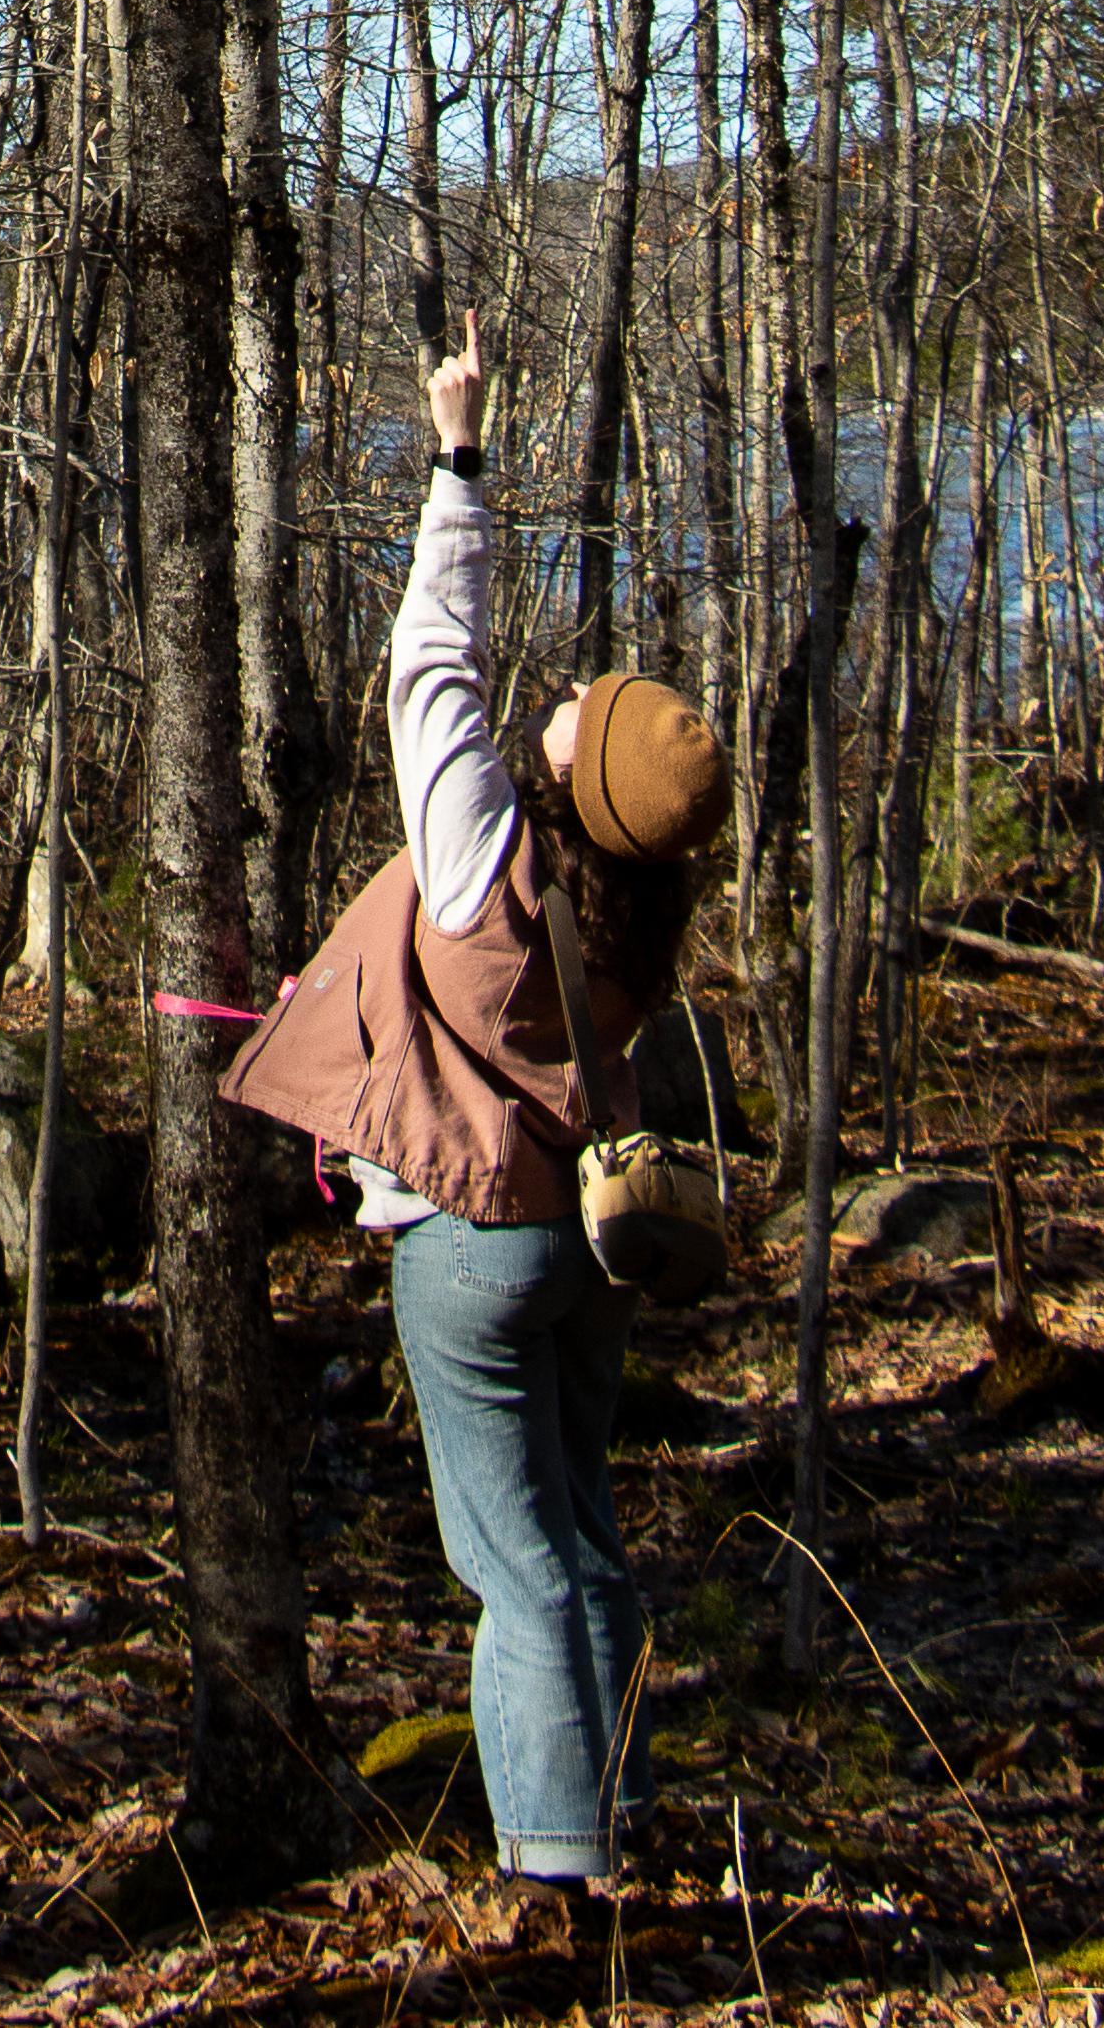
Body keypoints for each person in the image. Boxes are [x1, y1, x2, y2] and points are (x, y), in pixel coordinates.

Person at [221, 312, 729, 1895]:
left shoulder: (479, 863)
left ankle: (554, 1871)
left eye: (587, 713)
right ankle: (623, 1806)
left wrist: (458, 452)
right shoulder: (636, 908)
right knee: (581, 1536)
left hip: (471, 1246)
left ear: (574, 787)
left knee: (509, 1572)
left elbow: (429, 657)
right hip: (583, 1248)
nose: (573, 694)